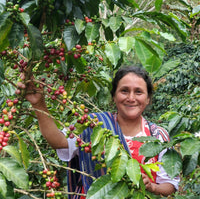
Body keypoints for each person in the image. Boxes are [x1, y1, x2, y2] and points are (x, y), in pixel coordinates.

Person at [18, 66, 179, 198]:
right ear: (114, 96)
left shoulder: (158, 136)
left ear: (148, 98)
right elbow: (59, 141)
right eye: (124, 91)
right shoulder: (93, 125)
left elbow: (170, 184)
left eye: (138, 92)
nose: (131, 98)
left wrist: (152, 187)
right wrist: (39, 104)